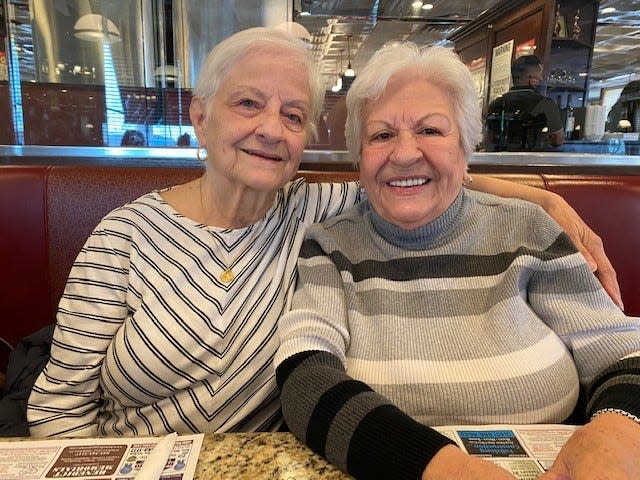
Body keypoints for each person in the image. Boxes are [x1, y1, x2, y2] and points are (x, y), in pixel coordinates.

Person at [27, 27, 621, 438]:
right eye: (248, 104)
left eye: (292, 116)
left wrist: (539, 198)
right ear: (200, 117)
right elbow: (58, 408)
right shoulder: (125, 236)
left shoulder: (316, 212)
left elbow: (415, 179)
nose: (269, 129)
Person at [275, 42, 640, 480]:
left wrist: (619, 428)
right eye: (382, 135)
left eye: (431, 131)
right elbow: (304, 377)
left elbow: (624, 351)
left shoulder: (528, 229)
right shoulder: (332, 245)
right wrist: (445, 469)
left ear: (467, 147)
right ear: (359, 158)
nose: (405, 153)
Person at [485, 54, 564, 151]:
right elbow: (558, 140)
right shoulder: (546, 104)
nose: (541, 79)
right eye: (539, 75)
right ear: (532, 80)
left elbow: (489, 140)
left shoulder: (495, 104)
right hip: (533, 162)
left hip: (499, 162)